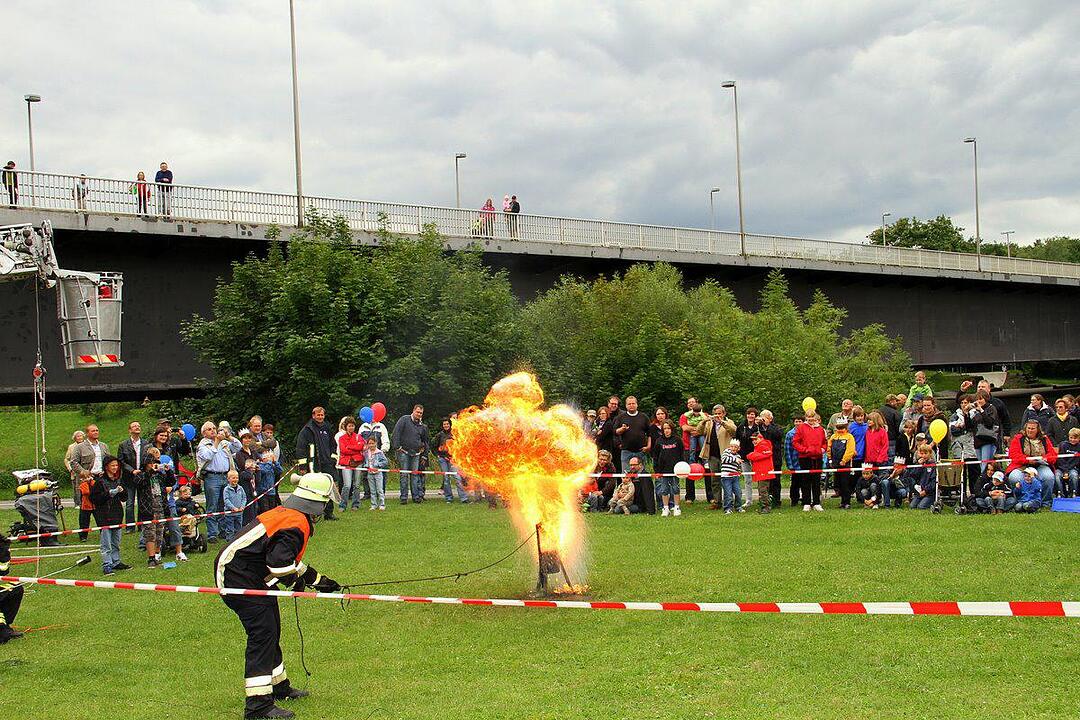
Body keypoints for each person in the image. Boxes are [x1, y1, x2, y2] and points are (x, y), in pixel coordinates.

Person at [215, 472, 341, 720]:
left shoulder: (290, 515)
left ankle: (278, 686)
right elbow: (280, 566)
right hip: (238, 578)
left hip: (249, 573)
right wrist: (296, 582)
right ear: (317, 503)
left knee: (270, 629)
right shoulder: (296, 523)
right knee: (262, 635)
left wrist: (318, 580)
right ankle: (258, 707)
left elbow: (285, 559)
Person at [295, 407, 339, 519]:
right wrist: (303, 466)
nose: (320, 417)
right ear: (313, 415)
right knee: (314, 489)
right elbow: (301, 449)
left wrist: (333, 459)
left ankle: (329, 513)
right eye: (318, 415)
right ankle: (313, 513)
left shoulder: (327, 428)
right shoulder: (307, 430)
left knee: (328, 488)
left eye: (322, 415)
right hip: (313, 465)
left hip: (327, 464)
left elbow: (333, 445)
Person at [90, 456, 129, 575]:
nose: (115, 468)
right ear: (106, 466)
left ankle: (116, 561)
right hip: (104, 515)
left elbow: (124, 498)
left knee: (116, 541)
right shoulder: (100, 482)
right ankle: (107, 564)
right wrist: (109, 494)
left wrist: (122, 491)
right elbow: (94, 499)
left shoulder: (119, 480)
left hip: (116, 513)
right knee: (106, 543)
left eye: (116, 465)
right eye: (113, 465)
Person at [198, 420, 235, 543]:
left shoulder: (223, 443)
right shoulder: (202, 445)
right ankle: (212, 534)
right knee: (212, 506)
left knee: (223, 504)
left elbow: (238, 447)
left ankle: (223, 530)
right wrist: (216, 442)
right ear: (204, 433)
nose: (213, 430)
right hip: (212, 477)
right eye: (209, 429)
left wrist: (229, 437)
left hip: (225, 476)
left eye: (214, 428)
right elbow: (208, 456)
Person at [1006, 419, 1058, 505]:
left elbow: (1052, 454)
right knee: (1015, 477)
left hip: (1040, 465)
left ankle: (1045, 502)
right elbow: (1013, 454)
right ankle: (1021, 501)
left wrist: (1044, 458)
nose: (1030, 430)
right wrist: (1027, 459)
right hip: (1022, 465)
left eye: (1033, 429)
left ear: (1038, 430)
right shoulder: (1018, 438)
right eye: (1028, 428)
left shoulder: (1044, 439)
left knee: (1048, 477)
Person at [698, 404, 736, 507]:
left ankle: (729, 502)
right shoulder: (710, 423)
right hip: (713, 455)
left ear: (724, 414)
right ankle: (717, 501)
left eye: (719, 413)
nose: (717, 416)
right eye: (715, 414)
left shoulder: (728, 422)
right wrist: (704, 421)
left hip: (725, 456)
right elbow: (699, 431)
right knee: (714, 480)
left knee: (727, 479)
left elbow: (733, 431)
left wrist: (722, 422)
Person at [392, 404, 429, 504]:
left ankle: (416, 497)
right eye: (417, 412)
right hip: (404, 452)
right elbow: (396, 432)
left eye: (421, 413)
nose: (419, 414)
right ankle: (404, 498)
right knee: (404, 475)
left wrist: (424, 454)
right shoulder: (404, 419)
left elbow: (425, 441)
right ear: (413, 411)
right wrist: (397, 447)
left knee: (415, 475)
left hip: (416, 454)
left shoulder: (422, 426)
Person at [118, 420, 150, 533]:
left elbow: (149, 459)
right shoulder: (123, 445)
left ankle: (141, 525)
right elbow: (121, 462)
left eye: (138, 425)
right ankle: (130, 526)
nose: (137, 427)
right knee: (130, 503)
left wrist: (142, 471)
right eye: (134, 426)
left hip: (143, 477)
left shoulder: (146, 443)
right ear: (130, 430)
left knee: (143, 502)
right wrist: (132, 471)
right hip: (129, 478)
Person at [793, 411, 827, 511]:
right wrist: (804, 450)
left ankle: (817, 502)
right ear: (806, 417)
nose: (810, 419)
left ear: (815, 417)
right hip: (805, 457)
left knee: (817, 480)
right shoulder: (801, 428)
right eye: (808, 417)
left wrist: (822, 450)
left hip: (817, 457)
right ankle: (806, 502)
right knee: (805, 480)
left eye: (812, 416)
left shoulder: (821, 429)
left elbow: (825, 442)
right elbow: (795, 442)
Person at [652, 420, 683, 517]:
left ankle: (677, 507)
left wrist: (682, 467)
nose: (667, 430)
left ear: (672, 429)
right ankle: (665, 508)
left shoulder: (677, 440)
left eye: (668, 428)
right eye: (665, 428)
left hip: (676, 470)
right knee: (664, 489)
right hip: (663, 470)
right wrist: (657, 471)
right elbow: (655, 456)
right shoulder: (659, 441)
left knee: (675, 488)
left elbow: (682, 454)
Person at [678, 398, 707, 501]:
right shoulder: (684, 416)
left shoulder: (705, 415)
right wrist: (699, 429)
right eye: (689, 403)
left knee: (707, 471)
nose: (690, 404)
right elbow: (685, 428)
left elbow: (707, 428)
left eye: (692, 402)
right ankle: (689, 497)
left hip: (703, 448)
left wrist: (698, 432)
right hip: (688, 447)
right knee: (689, 472)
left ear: (697, 403)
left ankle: (710, 497)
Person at [434, 418, 469, 504]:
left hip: (453, 459)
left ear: (450, 425)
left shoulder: (455, 434)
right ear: (442, 426)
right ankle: (449, 498)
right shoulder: (439, 435)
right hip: (443, 459)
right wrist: (438, 455)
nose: (446, 425)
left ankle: (464, 498)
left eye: (447, 424)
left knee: (457, 478)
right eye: (444, 424)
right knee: (446, 479)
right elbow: (434, 446)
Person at [949, 395, 979, 495]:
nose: (963, 405)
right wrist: (963, 428)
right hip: (959, 447)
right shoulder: (955, 415)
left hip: (971, 448)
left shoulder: (975, 413)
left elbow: (972, 427)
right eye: (961, 403)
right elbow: (953, 430)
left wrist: (962, 426)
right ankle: (962, 494)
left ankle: (974, 493)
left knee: (973, 472)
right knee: (961, 473)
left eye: (965, 403)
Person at [614, 396, 652, 474]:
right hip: (626, 451)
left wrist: (648, 446)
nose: (631, 405)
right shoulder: (621, 417)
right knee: (626, 477)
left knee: (641, 476)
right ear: (626, 406)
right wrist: (622, 429)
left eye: (633, 403)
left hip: (641, 451)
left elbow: (649, 434)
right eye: (629, 404)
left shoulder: (643, 417)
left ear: (637, 405)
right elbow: (615, 432)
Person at [827, 417, 856, 509]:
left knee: (845, 484)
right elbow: (829, 448)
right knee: (838, 484)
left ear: (846, 427)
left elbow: (850, 450)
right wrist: (830, 459)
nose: (840, 429)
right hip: (835, 463)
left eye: (842, 427)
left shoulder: (849, 437)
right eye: (838, 427)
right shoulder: (833, 437)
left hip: (845, 464)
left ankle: (846, 502)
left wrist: (844, 460)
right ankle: (841, 502)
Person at [335, 417, 363, 511]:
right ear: (346, 427)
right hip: (346, 463)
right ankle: (343, 505)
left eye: (353, 426)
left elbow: (361, 446)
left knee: (357, 485)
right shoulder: (341, 438)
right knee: (347, 485)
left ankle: (355, 505)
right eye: (349, 426)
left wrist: (350, 447)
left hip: (358, 462)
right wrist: (355, 449)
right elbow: (343, 450)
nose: (351, 428)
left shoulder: (358, 436)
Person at [758, 410, 784, 507]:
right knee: (764, 482)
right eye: (762, 417)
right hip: (763, 459)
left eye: (766, 417)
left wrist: (768, 425)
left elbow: (778, 435)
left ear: (771, 418)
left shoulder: (776, 427)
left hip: (775, 458)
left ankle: (776, 501)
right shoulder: (758, 428)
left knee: (776, 481)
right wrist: (757, 425)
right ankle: (765, 500)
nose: (763, 420)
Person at [734, 407, 759, 508]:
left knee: (759, 478)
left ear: (755, 416)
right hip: (744, 457)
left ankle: (762, 498)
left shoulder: (758, 427)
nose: (750, 416)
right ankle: (749, 500)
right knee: (747, 479)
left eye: (752, 414)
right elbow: (736, 440)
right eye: (749, 414)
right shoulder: (740, 427)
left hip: (757, 457)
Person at [971, 389, 1001, 473]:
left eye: (980, 399)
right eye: (977, 399)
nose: (978, 401)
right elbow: (971, 425)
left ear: (986, 399)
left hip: (988, 440)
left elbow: (989, 423)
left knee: (985, 465)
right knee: (981, 466)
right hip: (977, 440)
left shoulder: (991, 408)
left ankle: (985, 482)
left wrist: (981, 411)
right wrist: (967, 414)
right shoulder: (975, 411)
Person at [747, 429, 774, 513]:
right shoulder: (759, 446)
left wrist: (751, 455)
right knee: (762, 490)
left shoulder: (763, 445)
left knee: (763, 490)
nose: (754, 441)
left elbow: (767, 453)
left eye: (756, 439)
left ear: (760, 438)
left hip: (764, 472)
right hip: (761, 472)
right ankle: (764, 505)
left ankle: (766, 507)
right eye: (753, 440)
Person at [362, 436, 389, 510]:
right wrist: (366, 465)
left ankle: (382, 504)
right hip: (370, 474)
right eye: (369, 443)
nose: (371, 445)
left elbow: (385, 462)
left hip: (378, 474)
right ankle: (373, 505)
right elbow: (364, 462)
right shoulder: (366, 453)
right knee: (372, 490)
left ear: (376, 443)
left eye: (372, 443)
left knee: (379, 490)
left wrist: (378, 465)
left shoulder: (379, 452)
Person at [718, 440, 744, 514]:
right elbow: (724, 459)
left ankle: (738, 507)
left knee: (738, 493)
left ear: (738, 448)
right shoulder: (726, 452)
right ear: (729, 447)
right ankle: (727, 508)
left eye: (735, 447)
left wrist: (739, 472)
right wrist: (736, 460)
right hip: (726, 477)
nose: (733, 448)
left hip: (735, 477)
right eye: (732, 446)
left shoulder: (738, 456)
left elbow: (738, 467)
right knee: (728, 494)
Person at [908, 444, 937, 510]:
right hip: (919, 492)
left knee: (921, 507)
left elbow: (933, 481)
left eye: (925, 453)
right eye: (921, 453)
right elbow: (913, 475)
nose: (923, 455)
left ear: (930, 453)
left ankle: (932, 501)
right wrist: (918, 465)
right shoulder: (919, 464)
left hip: (929, 493)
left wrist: (926, 491)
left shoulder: (933, 465)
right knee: (912, 506)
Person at [784, 414, 804, 507]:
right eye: (796, 421)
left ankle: (805, 499)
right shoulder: (790, 434)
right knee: (795, 483)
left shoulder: (807, 432)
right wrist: (790, 464)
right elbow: (787, 450)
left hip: (804, 462)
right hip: (795, 462)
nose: (798, 423)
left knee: (805, 483)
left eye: (800, 421)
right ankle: (794, 500)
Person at [256, 449, 284, 513]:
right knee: (265, 511)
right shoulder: (260, 466)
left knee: (272, 511)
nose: (269, 459)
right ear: (263, 458)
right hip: (263, 492)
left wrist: (275, 462)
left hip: (272, 492)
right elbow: (265, 470)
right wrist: (270, 462)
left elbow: (280, 471)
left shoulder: (271, 465)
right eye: (268, 457)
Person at [1055, 427, 1080, 498]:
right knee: (1057, 476)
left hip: (1073, 468)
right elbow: (1060, 459)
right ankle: (1060, 494)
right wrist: (1065, 470)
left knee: (1074, 476)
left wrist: (1068, 470)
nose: (1072, 440)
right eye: (1071, 437)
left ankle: (1073, 494)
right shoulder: (1063, 445)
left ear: (1079, 438)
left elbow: (1076, 462)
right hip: (1061, 467)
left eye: (1075, 438)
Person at [222, 470, 247, 542]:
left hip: (239, 513)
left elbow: (244, 498)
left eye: (237, 478)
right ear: (228, 479)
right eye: (233, 478)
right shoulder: (226, 489)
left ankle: (238, 540)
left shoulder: (241, 488)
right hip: (229, 513)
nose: (235, 480)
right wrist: (233, 508)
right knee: (230, 529)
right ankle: (230, 541)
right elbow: (226, 500)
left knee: (239, 528)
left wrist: (242, 506)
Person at [879, 394, 903, 459]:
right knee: (890, 459)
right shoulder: (896, 413)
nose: (897, 403)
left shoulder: (878, 411)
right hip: (891, 440)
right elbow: (899, 429)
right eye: (896, 401)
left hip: (879, 440)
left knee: (880, 459)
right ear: (891, 401)